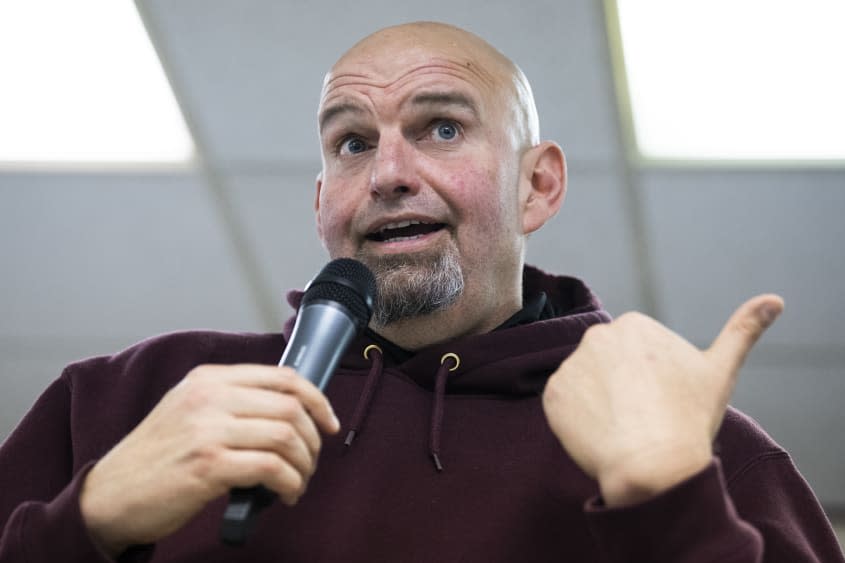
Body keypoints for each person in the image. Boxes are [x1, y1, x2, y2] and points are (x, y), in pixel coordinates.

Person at [0, 21, 842, 563]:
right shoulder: (122, 402)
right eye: (353, 142)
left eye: (441, 127)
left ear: (537, 186)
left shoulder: (689, 436)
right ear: (320, 201)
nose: (389, 173)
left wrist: (669, 501)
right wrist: (87, 522)